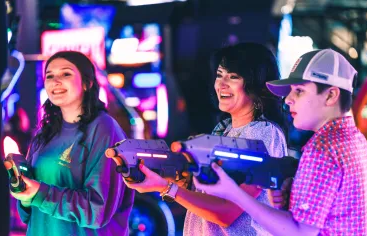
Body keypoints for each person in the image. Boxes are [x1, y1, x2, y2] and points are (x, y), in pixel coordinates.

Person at [194, 49, 367, 236]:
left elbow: (299, 232)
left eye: (299, 91)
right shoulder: (355, 139)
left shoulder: (322, 149)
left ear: (330, 96)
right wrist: (289, 206)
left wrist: (234, 193)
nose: (288, 99)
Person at [123, 42, 289, 235]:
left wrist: (166, 187)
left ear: (256, 85)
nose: (222, 84)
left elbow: (227, 212)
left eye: (233, 77)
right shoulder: (224, 131)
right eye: (219, 75)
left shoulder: (262, 133)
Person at [10, 51, 135, 236]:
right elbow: (29, 214)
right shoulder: (45, 133)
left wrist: (40, 193)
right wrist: (25, 197)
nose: (55, 81)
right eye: (49, 76)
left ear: (87, 83)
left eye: (65, 74)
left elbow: (97, 211)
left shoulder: (104, 128)